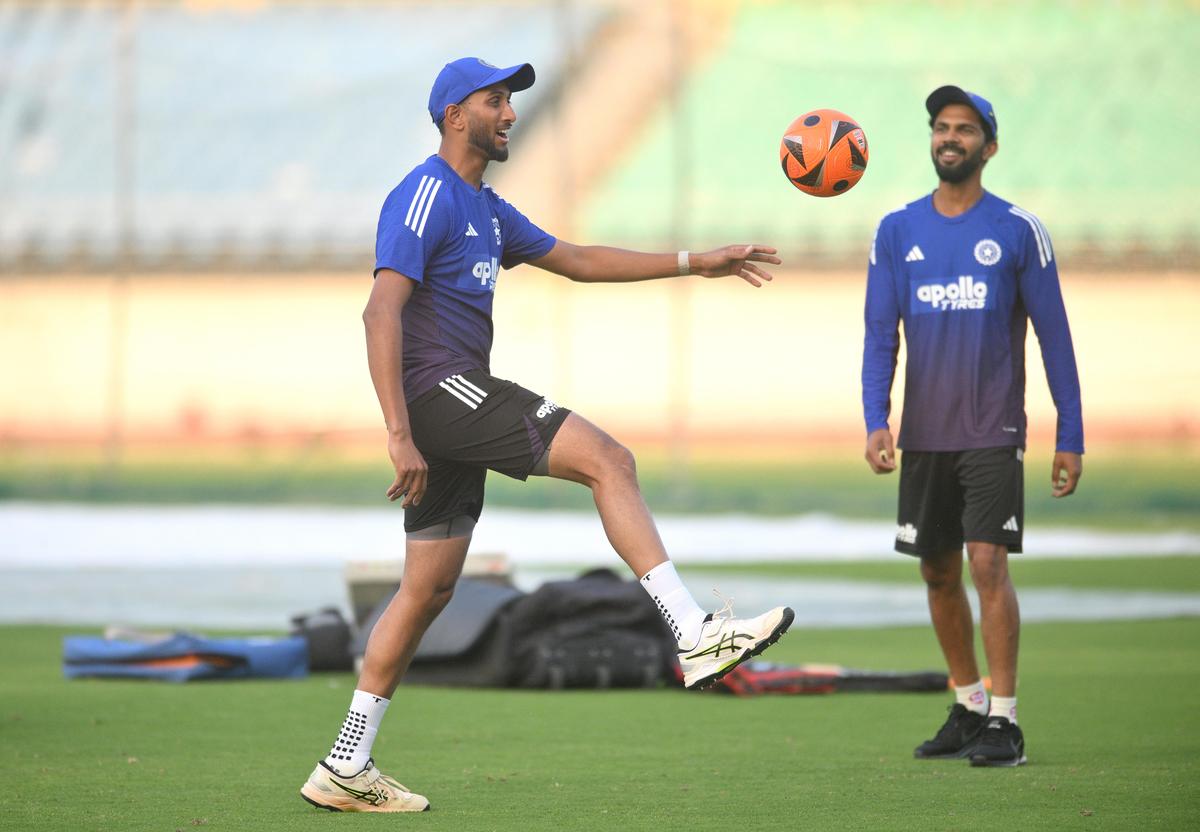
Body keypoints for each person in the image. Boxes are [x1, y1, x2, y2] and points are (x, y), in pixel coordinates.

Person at [298, 57, 794, 813]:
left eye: (510, 101)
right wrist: (399, 431)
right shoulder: (425, 193)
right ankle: (693, 632)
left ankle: (345, 762)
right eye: (495, 100)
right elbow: (379, 312)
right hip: (437, 395)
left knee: (426, 589)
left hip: (443, 407)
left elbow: (581, 260)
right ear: (454, 115)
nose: (510, 113)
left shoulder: (489, 211)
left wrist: (698, 263)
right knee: (609, 459)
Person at [861, 86, 1083, 768]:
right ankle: (968, 703)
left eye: (962, 129)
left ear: (989, 146)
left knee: (986, 563)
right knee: (935, 571)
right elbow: (879, 334)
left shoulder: (1017, 230)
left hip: (991, 430)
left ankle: (1006, 721)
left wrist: (1069, 433)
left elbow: (1055, 338)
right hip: (925, 434)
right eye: (939, 127)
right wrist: (877, 418)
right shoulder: (897, 229)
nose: (948, 138)